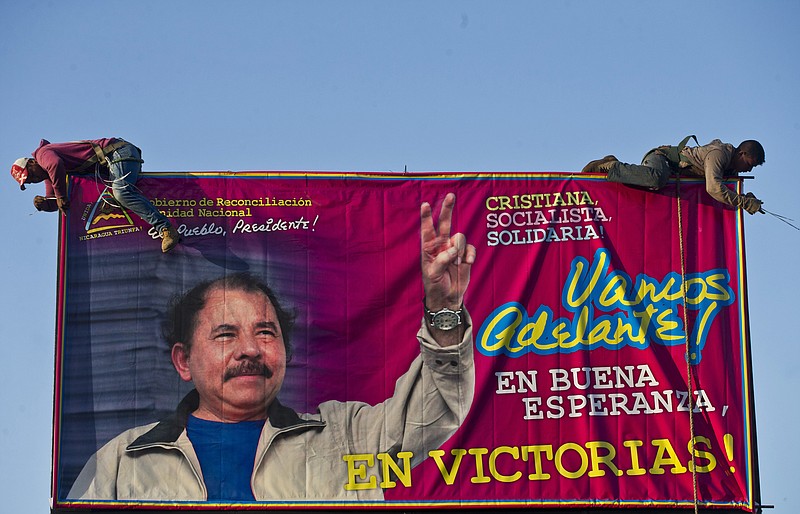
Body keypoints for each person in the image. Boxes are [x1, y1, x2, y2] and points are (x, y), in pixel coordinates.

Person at [68, 193, 477, 502]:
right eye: (225, 334)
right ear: (183, 360)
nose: (250, 349)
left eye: (266, 332)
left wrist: (443, 308)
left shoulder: (346, 437)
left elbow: (440, 406)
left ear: (286, 351)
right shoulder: (121, 462)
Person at [10, 138, 179, 252]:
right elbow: (57, 202)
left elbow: (56, 165)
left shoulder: (43, 154)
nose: (34, 180)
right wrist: (45, 205)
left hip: (117, 152)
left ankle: (166, 228)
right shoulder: (50, 176)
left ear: (32, 162)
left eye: (30, 175)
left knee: (121, 193)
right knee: (117, 196)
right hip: (116, 159)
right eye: (30, 182)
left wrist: (60, 196)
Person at [581, 137, 766, 214]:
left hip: (674, 171)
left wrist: (745, 198)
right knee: (657, 179)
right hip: (663, 159)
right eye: (750, 164)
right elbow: (714, 188)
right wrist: (743, 203)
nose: (749, 170)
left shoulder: (731, 169)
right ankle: (611, 166)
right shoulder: (718, 154)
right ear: (741, 154)